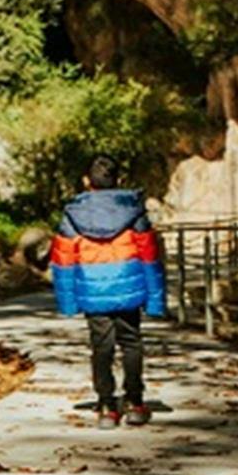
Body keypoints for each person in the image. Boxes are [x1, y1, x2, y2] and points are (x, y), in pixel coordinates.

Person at [49, 153, 165, 427]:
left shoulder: (73, 214)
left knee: (102, 348)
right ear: (119, 180)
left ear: (86, 181)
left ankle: (106, 408)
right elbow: (150, 255)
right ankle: (135, 403)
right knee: (131, 343)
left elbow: (63, 259)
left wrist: (67, 302)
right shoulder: (134, 211)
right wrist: (156, 299)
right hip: (130, 287)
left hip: (93, 289)